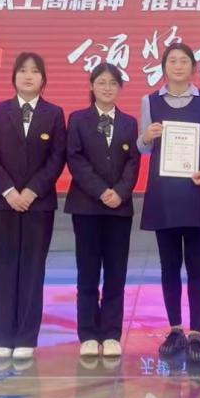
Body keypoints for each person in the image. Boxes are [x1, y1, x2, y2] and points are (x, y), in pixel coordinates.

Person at [138, 44, 200, 364]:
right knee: (169, 265)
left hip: (197, 190)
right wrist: (146, 136)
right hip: (164, 194)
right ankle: (175, 329)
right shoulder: (149, 101)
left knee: (197, 265)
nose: (177, 66)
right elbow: (143, 148)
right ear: (163, 67)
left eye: (184, 61)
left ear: (194, 67)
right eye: (172, 61)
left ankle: (196, 333)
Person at [0, 52, 66, 363]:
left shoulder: (54, 114)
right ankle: (3, 337)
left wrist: (31, 191)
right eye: (23, 70)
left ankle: (26, 337)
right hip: (2, 203)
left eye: (35, 71)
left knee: (32, 269)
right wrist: (9, 191)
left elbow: (56, 158)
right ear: (14, 77)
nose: (28, 76)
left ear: (43, 79)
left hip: (38, 204)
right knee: (3, 268)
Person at [65, 63, 140, 359]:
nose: (107, 88)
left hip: (119, 208)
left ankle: (110, 333)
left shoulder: (129, 123)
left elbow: (133, 162)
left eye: (113, 83)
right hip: (86, 207)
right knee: (87, 271)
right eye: (101, 82)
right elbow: (75, 159)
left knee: (115, 273)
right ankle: (87, 333)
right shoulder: (78, 120)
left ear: (120, 88)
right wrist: (100, 191)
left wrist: (119, 192)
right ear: (92, 86)